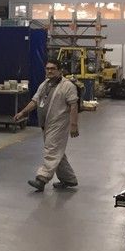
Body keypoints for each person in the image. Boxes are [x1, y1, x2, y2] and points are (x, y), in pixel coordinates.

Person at [13, 58, 80, 191]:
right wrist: (23, 112)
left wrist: (74, 125)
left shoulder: (68, 86)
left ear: (60, 71)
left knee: (51, 150)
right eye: (48, 68)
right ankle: (69, 179)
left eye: (53, 69)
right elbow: (35, 101)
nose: (49, 71)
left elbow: (74, 105)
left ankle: (42, 179)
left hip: (59, 124)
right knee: (57, 152)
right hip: (46, 124)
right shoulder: (44, 85)